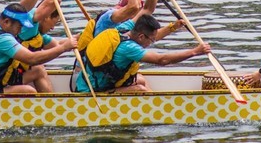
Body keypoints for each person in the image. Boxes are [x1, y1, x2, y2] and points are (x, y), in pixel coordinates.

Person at [76, 13, 208, 94]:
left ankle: (155, 105)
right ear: (140, 36)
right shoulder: (129, 48)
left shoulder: (123, 28)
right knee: (140, 89)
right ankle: (155, 112)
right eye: (150, 40)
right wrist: (195, 51)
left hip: (87, 81)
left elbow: (146, 12)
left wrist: (173, 27)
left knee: (140, 78)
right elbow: (161, 60)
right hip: (93, 91)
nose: (151, 42)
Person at [0, 3, 76, 94]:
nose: (21, 31)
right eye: (19, 26)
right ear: (6, 22)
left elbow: (26, 4)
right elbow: (32, 58)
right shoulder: (3, 39)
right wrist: (63, 48)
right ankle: (42, 117)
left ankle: (52, 106)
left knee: (37, 70)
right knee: (29, 92)